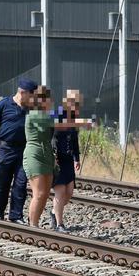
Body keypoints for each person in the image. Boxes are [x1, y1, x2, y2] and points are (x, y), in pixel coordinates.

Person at [0, 78, 37, 224]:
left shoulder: (32, 108)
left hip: (24, 150)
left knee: (20, 184)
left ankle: (16, 216)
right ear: (22, 93)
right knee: (3, 184)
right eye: (31, 95)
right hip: (6, 149)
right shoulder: (4, 104)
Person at [48, 89, 91, 233]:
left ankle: (54, 212)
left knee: (69, 191)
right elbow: (51, 136)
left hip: (68, 159)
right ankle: (60, 224)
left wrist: (76, 159)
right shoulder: (57, 114)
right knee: (60, 191)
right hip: (57, 159)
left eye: (77, 103)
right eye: (73, 102)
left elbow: (74, 140)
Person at [23, 85, 56, 228]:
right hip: (34, 154)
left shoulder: (46, 114)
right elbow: (45, 125)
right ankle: (33, 226)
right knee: (39, 193)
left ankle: (35, 223)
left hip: (47, 153)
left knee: (45, 193)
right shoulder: (34, 114)